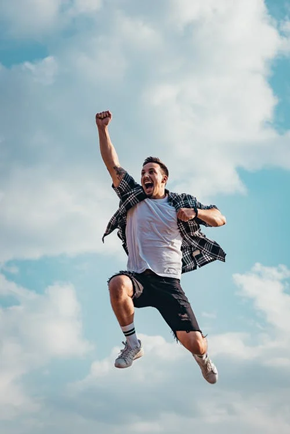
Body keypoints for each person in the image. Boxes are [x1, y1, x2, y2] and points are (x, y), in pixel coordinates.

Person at [96, 110, 226, 384]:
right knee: (117, 284)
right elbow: (112, 164)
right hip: (138, 277)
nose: (145, 175)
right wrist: (103, 129)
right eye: (143, 172)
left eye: (151, 172)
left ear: (163, 179)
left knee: (196, 343)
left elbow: (219, 217)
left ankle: (202, 358)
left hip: (169, 283)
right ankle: (133, 344)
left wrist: (195, 212)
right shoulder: (132, 195)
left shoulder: (179, 202)